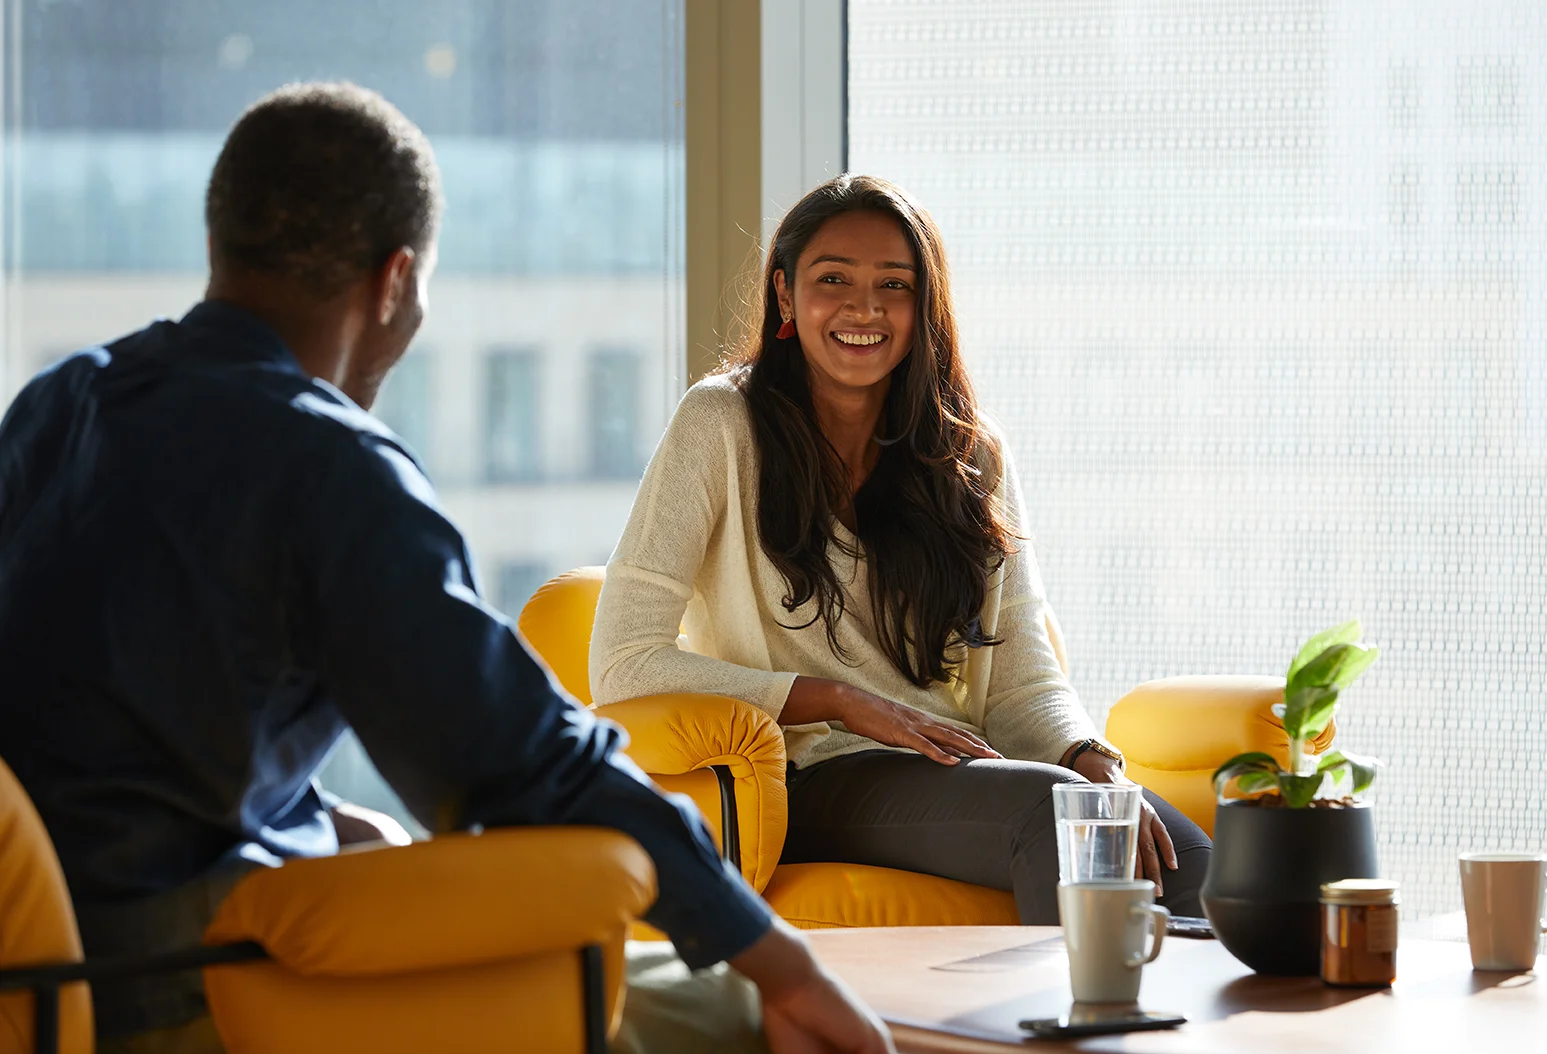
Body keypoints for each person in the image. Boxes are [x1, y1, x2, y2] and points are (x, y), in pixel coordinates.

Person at [0, 83, 891, 1054]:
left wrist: (316, 817)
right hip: (187, 995)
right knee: (732, 1013)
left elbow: (105, 726)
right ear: (394, 283)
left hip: (41, 985)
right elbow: (529, 764)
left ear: (222, 248)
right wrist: (787, 965)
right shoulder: (325, 463)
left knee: (633, 972)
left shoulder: (59, 405)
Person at [589, 174, 1212, 924]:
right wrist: (842, 704)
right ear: (785, 297)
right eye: (833, 281)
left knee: (1188, 860)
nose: (864, 308)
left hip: (953, 769)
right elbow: (623, 662)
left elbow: (1018, 681)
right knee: (1056, 818)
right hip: (806, 774)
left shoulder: (971, 454)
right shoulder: (721, 423)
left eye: (895, 285)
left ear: (925, 307)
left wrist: (1092, 763)